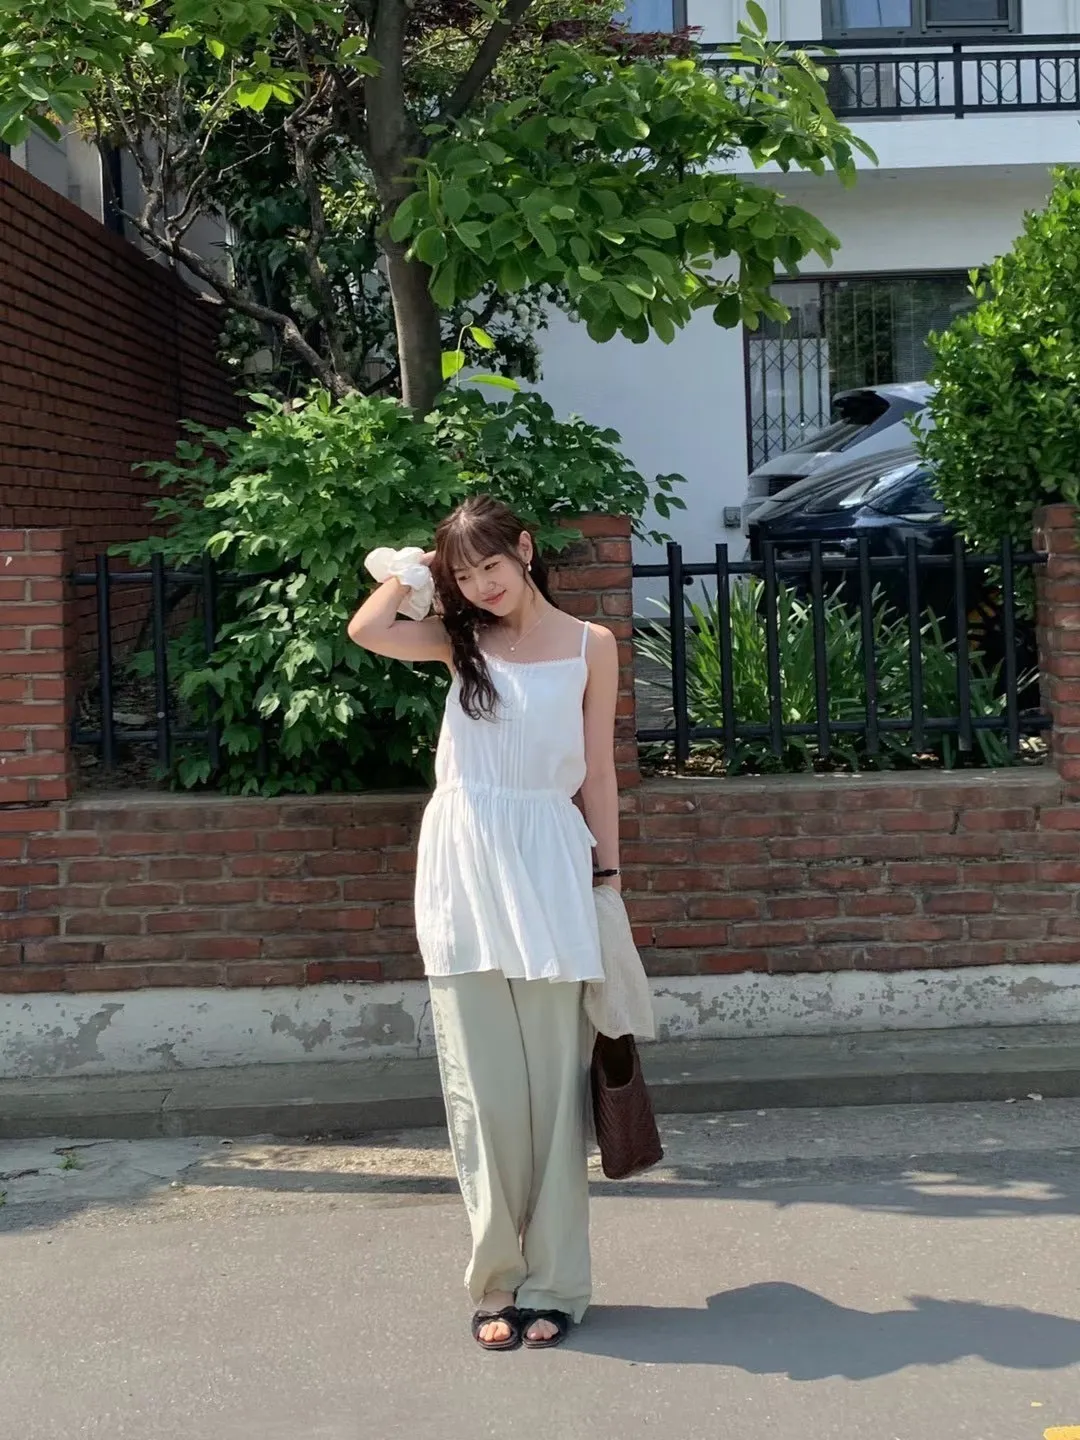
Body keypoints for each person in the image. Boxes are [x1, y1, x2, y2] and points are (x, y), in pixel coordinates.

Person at [347, 496, 621, 1352]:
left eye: (490, 565)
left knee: (554, 1098)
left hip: (550, 869)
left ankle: (556, 1284)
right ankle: (497, 1281)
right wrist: (413, 574)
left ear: (526, 550)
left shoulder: (591, 645)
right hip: (462, 871)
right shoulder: (458, 640)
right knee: (483, 1094)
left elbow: (599, 772)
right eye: (464, 574)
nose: (482, 585)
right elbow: (367, 631)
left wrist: (608, 880)